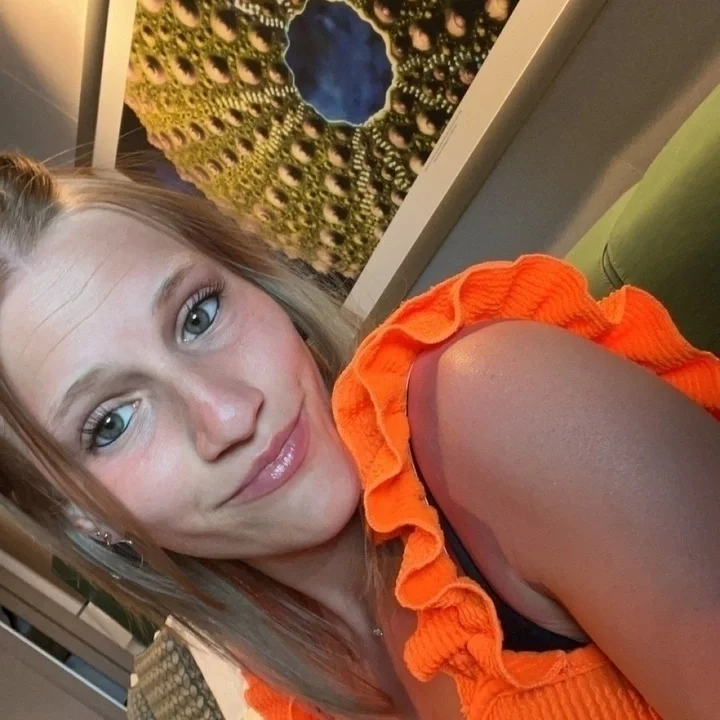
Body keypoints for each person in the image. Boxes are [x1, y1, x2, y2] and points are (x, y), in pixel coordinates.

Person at [0, 153, 718, 720]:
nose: (229, 414)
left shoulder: (495, 407)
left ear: (258, 285)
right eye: (113, 422)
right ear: (80, 514)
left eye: (199, 315)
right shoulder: (284, 688)